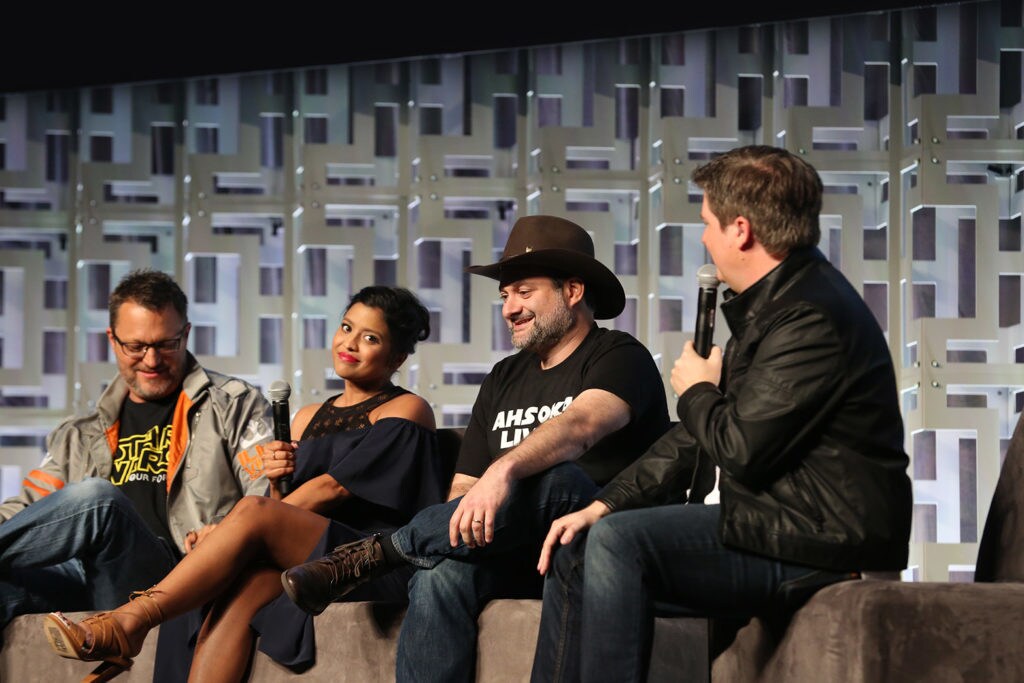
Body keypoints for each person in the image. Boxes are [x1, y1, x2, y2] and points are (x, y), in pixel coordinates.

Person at [529, 145, 914, 682]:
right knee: (583, 540)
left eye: (707, 223)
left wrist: (695, 391)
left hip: (824, 539)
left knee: (622, 542)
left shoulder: (809, 317)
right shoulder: (781, 308)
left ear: (741, 229)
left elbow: (740, 452)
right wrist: (606, 504)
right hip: (783, 525)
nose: (704, 239)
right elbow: (694, 439)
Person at [280, 215, 673, 682]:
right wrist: (457, 533)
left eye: (524, 292)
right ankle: (395, 554)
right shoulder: (503, 377)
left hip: (595, 541)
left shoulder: (619, 355)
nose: (509, 308)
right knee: (439, 575)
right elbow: (464, 488)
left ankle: (383, 552)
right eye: (505, 296)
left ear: (572, 291)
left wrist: (505, 469)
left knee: (557, 478)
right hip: (515, 550)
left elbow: (583, 425)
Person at [42, 285, 447, 682]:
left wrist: (230, 526)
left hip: (371, 558)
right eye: (346, 327)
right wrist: (274, 482)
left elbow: (332, 490)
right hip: (303, 555)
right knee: (229, 599)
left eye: (370, 337)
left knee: (245, 517)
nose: (350, 343)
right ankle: (130, 627)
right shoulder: (305, 416)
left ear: (396, 356)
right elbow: (283, 504)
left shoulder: (407, 408)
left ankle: (128, 623)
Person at [0, 268, 272, 632]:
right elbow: (29, 511)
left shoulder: (235, 406)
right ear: (112, 340)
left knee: (100, 501)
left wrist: (224, 532)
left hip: (175, 581)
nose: (151, 360)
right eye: (136, 346)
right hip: (90, 584)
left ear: (186, 334)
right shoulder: (78, 436)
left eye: (165, 344)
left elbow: (270, 498)